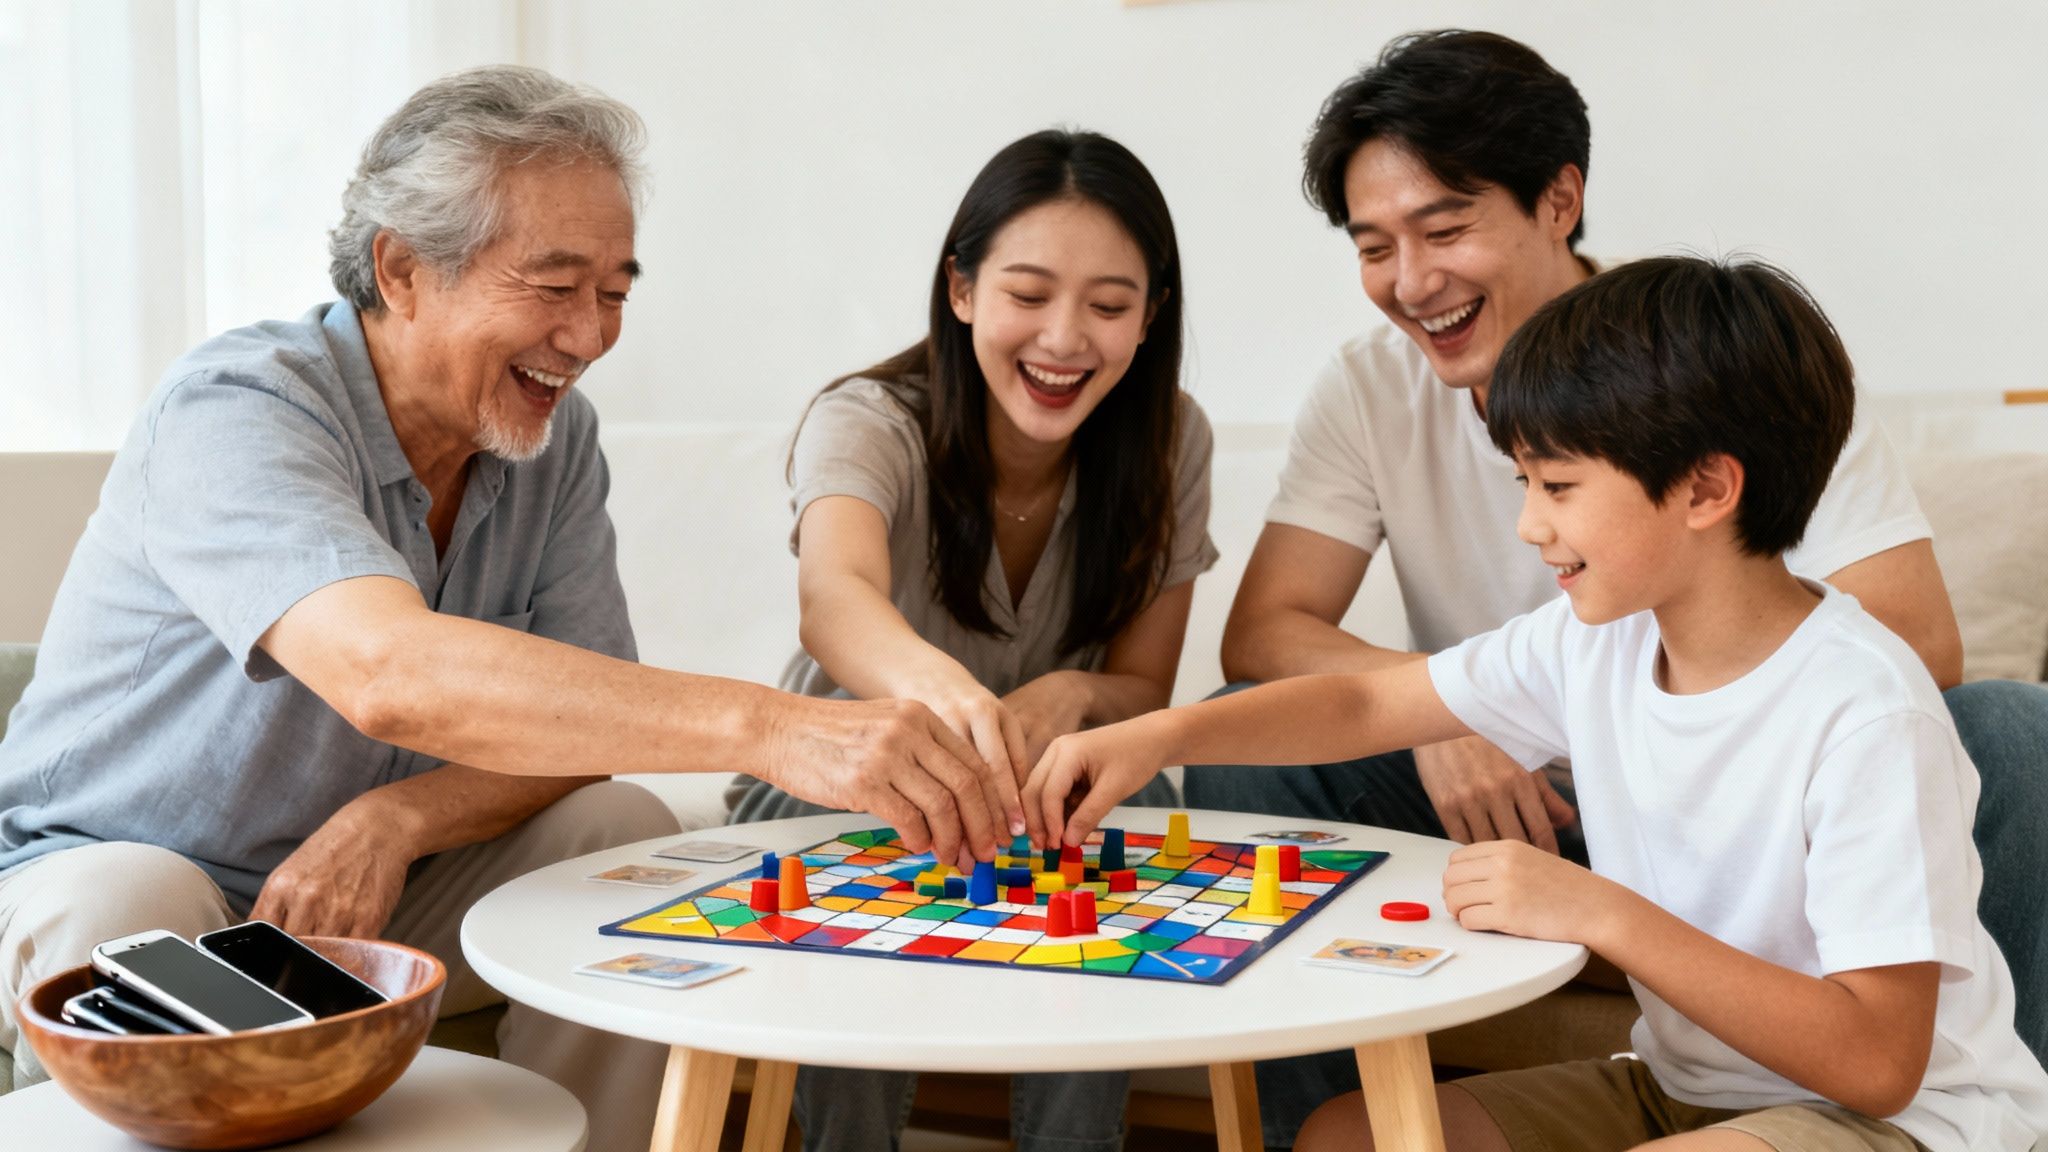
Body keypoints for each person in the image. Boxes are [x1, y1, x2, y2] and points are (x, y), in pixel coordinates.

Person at [0, 66, 1015, 1152]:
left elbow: (579, 741)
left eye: (615, 292)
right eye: (553, 283)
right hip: (119, 870)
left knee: (621, 834)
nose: (588, 336)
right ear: (401, 268)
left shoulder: (549, 438)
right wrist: (774, 728)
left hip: (378, 887)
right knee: (131, 897)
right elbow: (384, 672)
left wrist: (397, 821)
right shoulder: (238, 409)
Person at [1183, 30, 2048, 1141]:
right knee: (1233, 752)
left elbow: (1914, 648)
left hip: (1737, 775)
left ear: (1557, 200)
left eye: (1444, 227)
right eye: (1372, 244)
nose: (1410, 280)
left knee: (2012, 729)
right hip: (1522, 796)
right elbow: (1298, 657)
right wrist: (1445, 717)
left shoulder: (1715, 368)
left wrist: (1675, 750)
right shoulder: (1550, 612)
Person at [1026, 256, 2048, 1152]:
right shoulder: (1592, 641)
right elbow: (1363, 709)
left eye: (1555, 487)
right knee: (1348, 1136)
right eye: (1523, 481)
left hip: (1885, 1124)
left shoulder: (1863, 711)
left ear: (1703, 490)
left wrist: (1594, 908)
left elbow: (1875, 1063)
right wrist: (1149, 734)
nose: (1526, 524)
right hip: (1676, 1092)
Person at [732, 128, 1219, 1152]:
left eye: (1109, 305)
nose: (1063, 339)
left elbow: (1139, 689)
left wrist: (1069, 701)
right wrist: (951, 706)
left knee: (1118, 821)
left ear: (1150, 318)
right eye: (1027, 294)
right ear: (961, 290)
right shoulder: (865, 419)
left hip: (1052, 785)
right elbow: (834, 597)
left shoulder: (1172, 439)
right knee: (870, 837)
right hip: (843, 766)